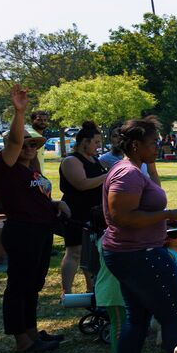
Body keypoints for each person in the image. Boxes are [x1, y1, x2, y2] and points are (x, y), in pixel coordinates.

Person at [101, 116, 177, 353]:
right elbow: (122, 216)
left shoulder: (133, 169)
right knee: (174, 316)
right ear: (136, 145)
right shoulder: (127, 174)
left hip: (132, 253)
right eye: (153, 142)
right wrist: (167, 215)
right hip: (141, 256)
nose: (159, 145)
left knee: (137, 318)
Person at [0, 86, 70, 353]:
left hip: (40, 229)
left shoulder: (29, 169)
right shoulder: (6, 166)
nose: (28, 147)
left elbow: (35, 197)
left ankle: (31, 332)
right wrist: (20, 111)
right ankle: (22, 341)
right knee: (20, 285)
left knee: (33, 284)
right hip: (22, 231)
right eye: (25, 143)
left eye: (33, 144)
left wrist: (55, 203)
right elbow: (14, 143)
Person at [58, 121, 108, 295]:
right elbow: (82, 184)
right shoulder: (71, 160)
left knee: (92, 252)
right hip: (76, 212)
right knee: (75, 251)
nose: (98, 146)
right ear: (84, 142)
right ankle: (67, 291)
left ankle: (92, 288)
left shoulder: (94, 160)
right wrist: (107, 175)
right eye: (96, 142)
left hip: (95, 213)